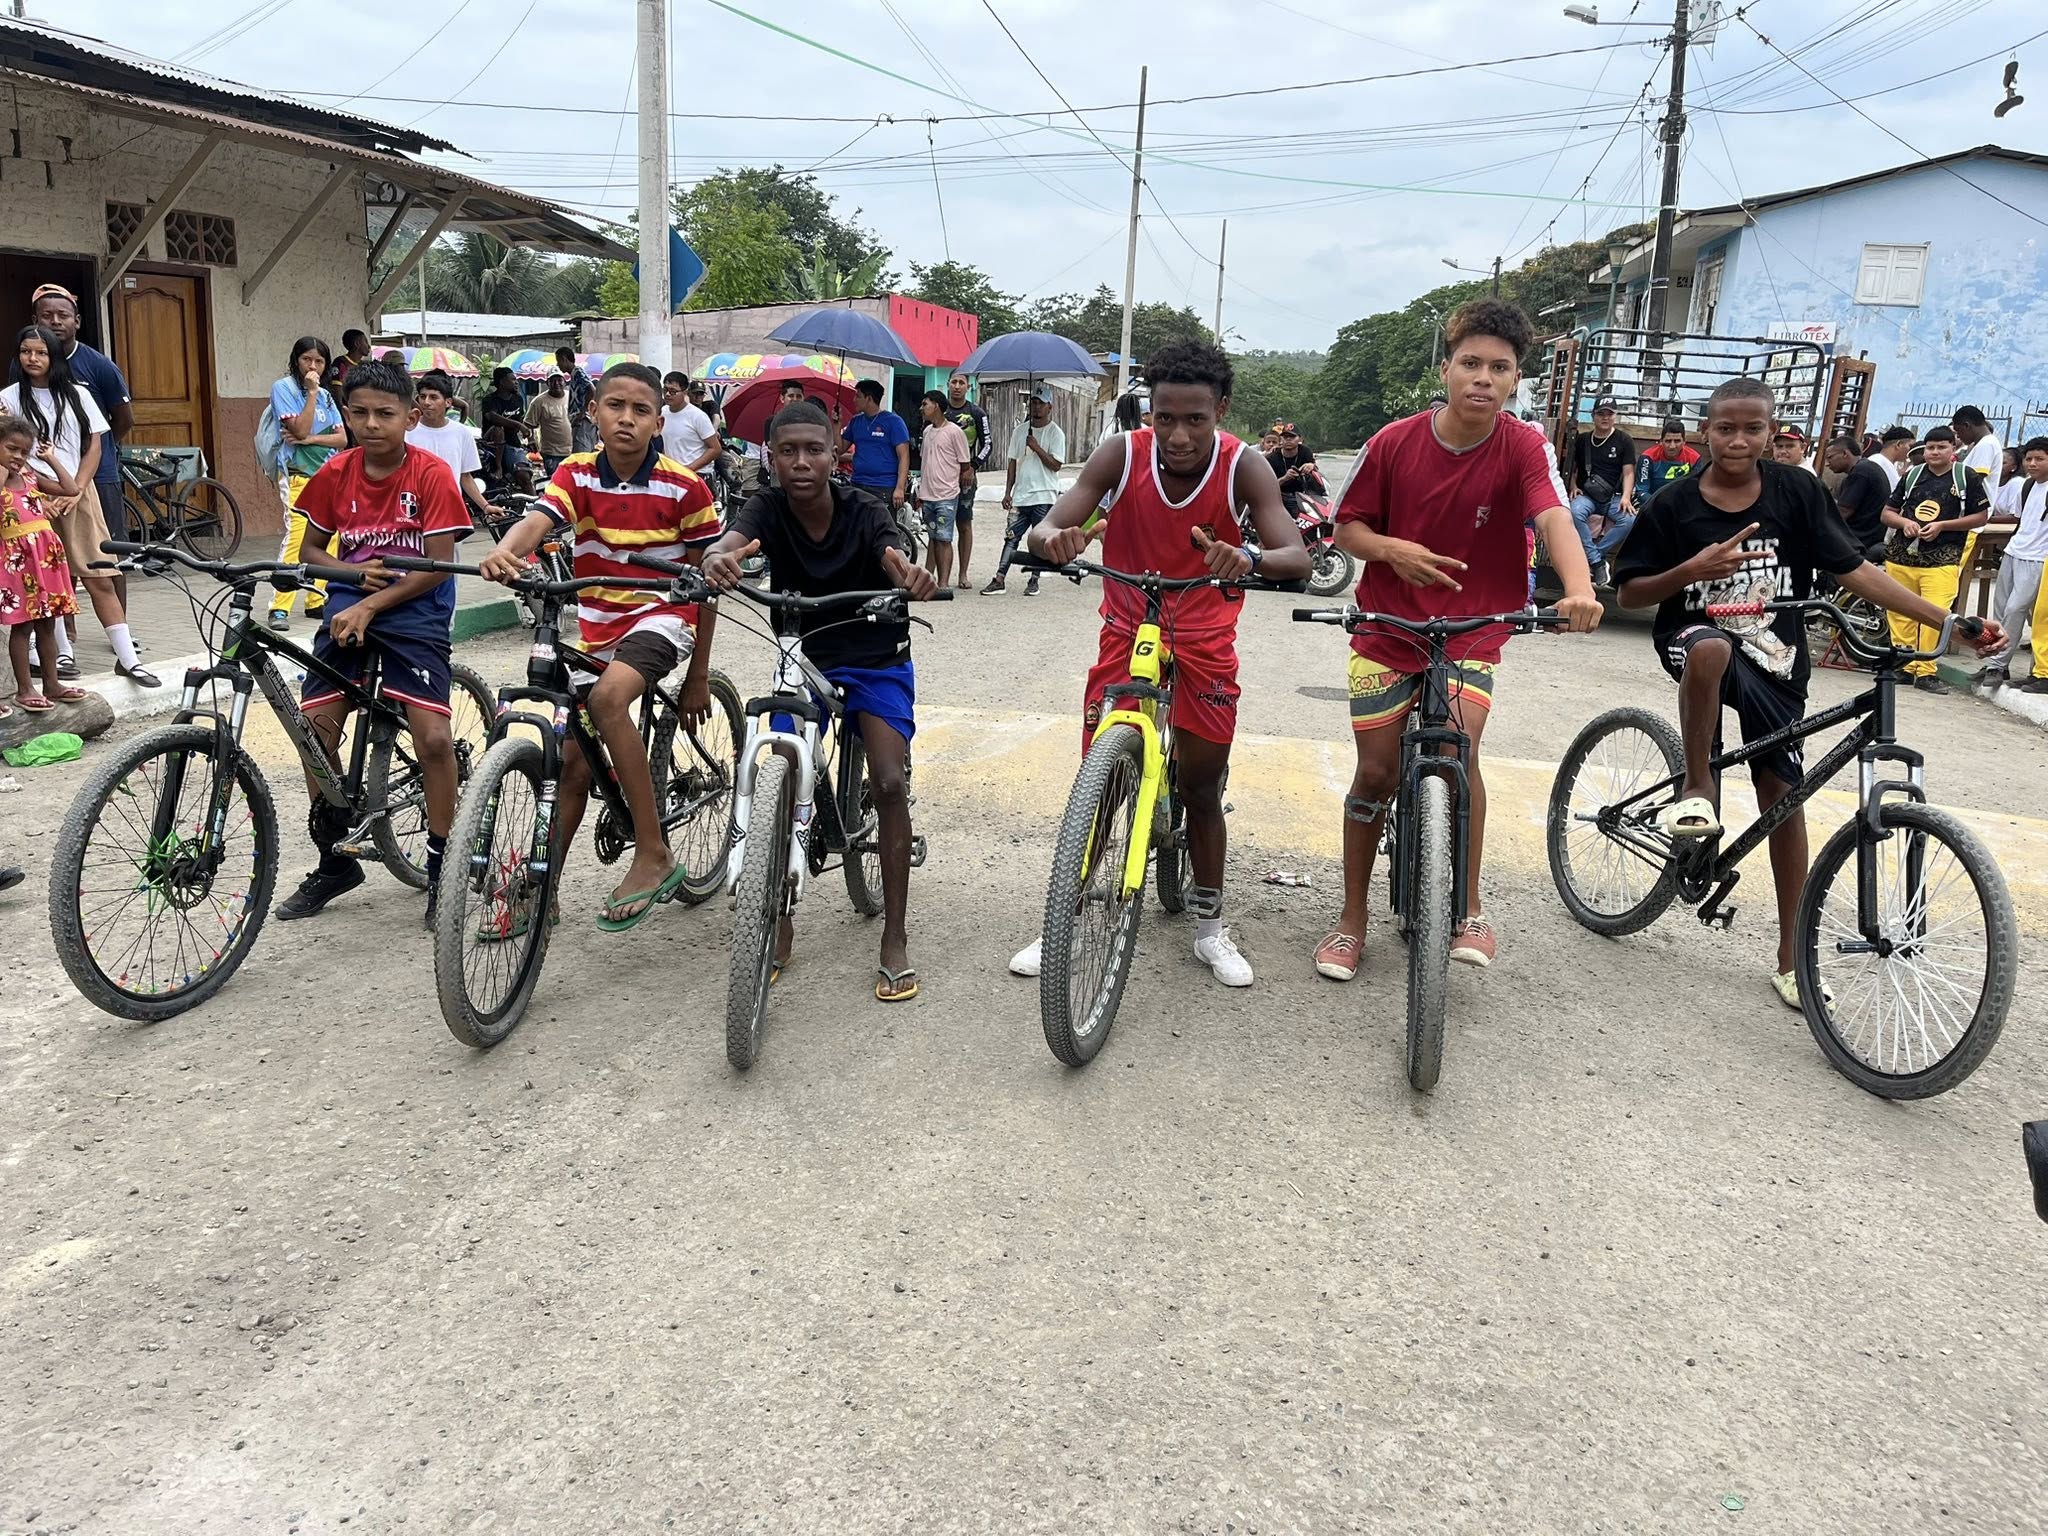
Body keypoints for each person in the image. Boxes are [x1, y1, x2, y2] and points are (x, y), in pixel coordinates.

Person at [1613, 377, 2003, 1010]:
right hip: (1694, 637)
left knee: (1783, 795)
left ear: (1772, 434)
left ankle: (1791, 956)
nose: (1738, 440)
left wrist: (1948, 622)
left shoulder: (1796, 490)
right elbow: (1630, 592)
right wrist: (1691, 571)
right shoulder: (1674, 503)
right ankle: (1698, 785)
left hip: (1777, 654)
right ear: (1706, 432)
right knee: (1710, 650)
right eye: (1725, 428)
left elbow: (1854, 568)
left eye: (1753, 429)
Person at [1311, 299, 1601, 984]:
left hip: (1473, 632)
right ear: (1445, 369)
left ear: (1515, 380)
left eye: (1500, 368)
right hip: (1387, 629)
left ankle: (1469, 908)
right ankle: (1351, 919)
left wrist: (1580, 588)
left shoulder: (1525, 446)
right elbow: (1346, 530)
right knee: (1375, 774)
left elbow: (1554, 517)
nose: (1483, 378)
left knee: (1459, 753)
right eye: (1470, 363)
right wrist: (1393, 550)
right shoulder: (1392, 442)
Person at [1011, 340, 1311, 988]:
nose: (1177, 435)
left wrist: (1249, 558)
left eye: (1195, 419)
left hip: (1204, 634)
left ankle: (1209, 929)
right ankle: (1066, 917)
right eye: (1164, 417)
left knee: (1201, 788)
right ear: (1149, 411)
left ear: (1220, 411)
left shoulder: (1243, 465)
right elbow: (1048, 527)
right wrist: (1056, 540)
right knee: (1102, 784)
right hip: (1128, 627)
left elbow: (1297, 556)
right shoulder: (1121, 454)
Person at [701, 400, 939, 1000]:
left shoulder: (865, 507)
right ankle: (776, 915)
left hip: (876, 653)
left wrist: (906, 574)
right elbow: (730, 543)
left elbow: (891, 553)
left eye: (814, 450)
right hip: (803, 652)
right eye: (788, 451)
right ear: (771, 458)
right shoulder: (765, 506)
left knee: (888, 782)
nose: (801, 462)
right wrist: (718, 558)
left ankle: (895, 936)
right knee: (778, 760)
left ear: (837, 454)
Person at [480, 363, 723, 930]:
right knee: (573, 764)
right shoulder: (576, 473)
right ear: (593, 412)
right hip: (599, 629)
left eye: (641, 410)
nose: (626, 419)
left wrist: (699, 673)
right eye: (615, 406)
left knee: (608, 701)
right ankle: (538, 890)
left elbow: (707, 584)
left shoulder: (686, 487)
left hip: (664, 618)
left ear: (658, 423)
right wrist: (507, 552)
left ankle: (653, 852)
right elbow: (538, 521)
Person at [273, 360, 471, 926]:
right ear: (346, 414)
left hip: (417, 610)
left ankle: (443, 868)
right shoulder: (336, 471)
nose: (371, 424)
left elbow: (439, 565)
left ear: (411, 418)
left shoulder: (432, 474)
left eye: (385, 413)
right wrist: (354, 577)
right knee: (314, 732)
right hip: (348, 606)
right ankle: (334, 859)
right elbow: (312, 551)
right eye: (358, 413)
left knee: (434, 739)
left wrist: (372, 603)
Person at [2, 324, 157, 686]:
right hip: (31, 498)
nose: (33, 358)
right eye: (26, 351)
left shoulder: (79, 395)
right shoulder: (8, 398)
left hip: (77, 494)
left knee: (99, 575)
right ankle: (62, 656)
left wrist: (76, 490)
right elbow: (9, 454)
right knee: (45, 581)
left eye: (41, 352)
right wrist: (37, 492)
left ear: (54, 356)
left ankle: (128, 660)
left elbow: (94, 446)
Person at [28, 286, 133, 607]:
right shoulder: (26, 364)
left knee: (108, 551)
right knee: (56, 551)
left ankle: (121, 624)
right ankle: (67, 628)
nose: (55, 321)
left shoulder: (99, 365)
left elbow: (123, 418)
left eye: (63, 315)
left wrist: (98, 450)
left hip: (98, 473)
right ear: (35, 320)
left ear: (77, 321)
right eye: (47, 316)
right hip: (48, 475)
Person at [1880, 424, 1989, 694]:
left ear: (1953, 449)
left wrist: (1943, 526)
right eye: (1930, 447)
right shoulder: (1913, 475)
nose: (1935, 452)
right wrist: (1904, 523)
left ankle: (1926, 670)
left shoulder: (1966, 477)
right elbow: (1887, 513)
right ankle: (1905, 666)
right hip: (1902, 557)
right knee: (1900, 613)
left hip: (1942, 560)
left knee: (1936, 615)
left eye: (1941, 447)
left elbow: (1980, 517)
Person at [0, 409, 82, 713]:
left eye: (24, 452)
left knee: (48, 624)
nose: (18, 457)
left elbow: (71, 489)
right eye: (11, 449)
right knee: (22, 626)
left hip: (46, 558)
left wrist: (50, 458)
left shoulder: (31, 477)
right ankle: (25, 689)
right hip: (18, 562)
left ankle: (52, 684)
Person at [266, 336, 348, 632]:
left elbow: (342, 439)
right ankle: (280, 605)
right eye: (306, 359)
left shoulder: (327, 396)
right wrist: (311, 393)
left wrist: (311, 438)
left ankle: (316, 599)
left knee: (331, 537)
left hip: (327, 476)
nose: (313, 366)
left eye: (319, 361)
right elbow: (298, 429)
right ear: (296, 360)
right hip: (297, 474)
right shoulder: (284, 388)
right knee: (297, 538)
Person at [984, 382, 1066, 595]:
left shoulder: (1056, 433)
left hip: (1044, 495)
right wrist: (1007, 491)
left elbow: (1056, 465)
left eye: (1041, 403)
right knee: (1011, 537)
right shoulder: (1020, 431)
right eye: (1033, 402)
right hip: (1021, 495)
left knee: (1039, 540)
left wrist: (1036, 447)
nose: (1036, 407)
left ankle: (1034, 580)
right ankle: (999, 578)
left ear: (1050, 407)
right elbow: (1012, 462)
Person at [1984, 436, 2048, 689]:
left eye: (2040, 459)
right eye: (2029, 459)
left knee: (2016, 609)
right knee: (2000, 609)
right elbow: (2022, 520)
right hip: (2014, 551)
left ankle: (1998, 665)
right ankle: (1998, 663)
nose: (2032, 464)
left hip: (2037, 557)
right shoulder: (2028, 486)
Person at [405, 369, 489, 523]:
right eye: (422, 397)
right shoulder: (406, 431)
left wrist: (485, 506)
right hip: (411, 511)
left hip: (448, 511)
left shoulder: (462, 433)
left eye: (433, 397)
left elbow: (465, 477)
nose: (426, 402)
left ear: (448, 402)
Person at [1568, 397, 1635, 586]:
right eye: (1601, 414)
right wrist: (1573, 486)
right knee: (1574, 512)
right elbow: (1573, 468)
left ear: (1615, 416)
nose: (1605, 418)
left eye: (1609, 414)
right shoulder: (1583, 440)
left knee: (1629, 520)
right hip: (1586, 495)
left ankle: (1594, 557)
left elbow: (1628, 472)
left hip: (1613, 497)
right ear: (1593, 416)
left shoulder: (1624, 440)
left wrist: (1626, 497)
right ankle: (1597, 563)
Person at [913, 389, 971, 589]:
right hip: (928, 495)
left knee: (944, 538)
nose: (922, 408)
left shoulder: (955, 432)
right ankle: (931, 579)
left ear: (936, 406)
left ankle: (944, 584)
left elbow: (965, 463)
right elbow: (925, 461)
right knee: (933, 537)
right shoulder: (927, 432)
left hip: (946, 495)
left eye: (925, 404)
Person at [943, 372, 990, 589]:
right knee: (939, 527)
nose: (957, 386)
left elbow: (988, 444)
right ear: (948, 384)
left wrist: (973, 466)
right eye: (954, 382)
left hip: (965, 479)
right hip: (941, 477)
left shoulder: (977, 413)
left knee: (964, 524)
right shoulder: (939, 410)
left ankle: (963, 573)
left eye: (961, 382)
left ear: (968, 387)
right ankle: (937, 576)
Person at [842, 379, 910, 515]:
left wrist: (900, 488)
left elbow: (904, 457)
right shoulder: (855, 421)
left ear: (869, 398)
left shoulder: (893, 422)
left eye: (858, 396)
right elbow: (840, 448)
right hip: (857, 483)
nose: (854, 400)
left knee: (881, 525)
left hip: (883, 487)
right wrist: (836, 424)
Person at [1824, 434, 1892, 560]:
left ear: (1845, 453)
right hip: (1870, 536)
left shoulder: (1860, 472)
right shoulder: (1867, 467)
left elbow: (1843, 512)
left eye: (1830, 457)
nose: (1827, 464)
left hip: (1860, 539)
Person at [660, 371, 721, 482]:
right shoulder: (662, 413)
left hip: (697, 475)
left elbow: (715, 449)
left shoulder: (698, 416)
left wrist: (689, 469)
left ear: (685, 392)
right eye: (665, 390)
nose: (668, 394)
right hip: (672, 475)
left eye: (673, 391)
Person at [478, 367, 529, 486]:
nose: (516, 382)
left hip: (512, 443)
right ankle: (498, 467)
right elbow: (492, 416)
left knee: (524, 476)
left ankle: (532, 498)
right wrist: (518, 425)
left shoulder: (518, 399)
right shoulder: (490, 400)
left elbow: (521, 419)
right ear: (502, 382)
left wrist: (529, 438)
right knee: (498, 428)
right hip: (491, 443)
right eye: (512, 379)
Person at [1636, 417, 1699, 506]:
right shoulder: (1647, 458)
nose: (1672, 446)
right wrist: (1661, 506)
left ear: (1684, 442)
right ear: (1661, 442)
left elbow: (1696, 490)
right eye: (1668, 441)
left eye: (1677, 441)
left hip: (1682, 505)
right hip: (1653, 503)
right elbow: (1642, 491)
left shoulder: (1694, 458)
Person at [1265, 422, 1326, 512]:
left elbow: (1316, 472)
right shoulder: (1272, 458)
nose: (1288, 439)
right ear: (1281, 439)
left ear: (1300, 439)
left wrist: (1311, 465)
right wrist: (1285, 478)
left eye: (1292, 437)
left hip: (1303, 497)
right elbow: (1267, 487)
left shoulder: (1306, 452)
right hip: (1279, 498)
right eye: (1285, 437)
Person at [524, 370, 574, 477]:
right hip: (552, 453)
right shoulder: (538, 402)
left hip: (573, 450)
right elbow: (528, 424)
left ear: (565, 382)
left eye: (559, 380)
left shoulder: (572, 397)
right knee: (555, 481)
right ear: (547, 383)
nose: (557, 383)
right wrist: (531, 440)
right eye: (553, 381)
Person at [1951, 405, 2004, 493]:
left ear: (1966, 426)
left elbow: (1974, 479)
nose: (1958, 436)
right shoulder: (1984, 443)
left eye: (1958, 431)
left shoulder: (1986, 444)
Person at [556, 346, 596, 454]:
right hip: (581, 422)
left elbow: (592, 390)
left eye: (558, 361)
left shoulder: (578, 372)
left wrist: (582, 413)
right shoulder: (574, 374)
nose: (558, 365)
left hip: (583, 422)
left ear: (564, 359)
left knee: (581, 455)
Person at [1871, 424, 1915, 489]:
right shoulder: (1876, 463)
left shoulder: (1885, 463)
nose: (1911, 450)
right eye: (1910, 446)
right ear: (1898, 445)